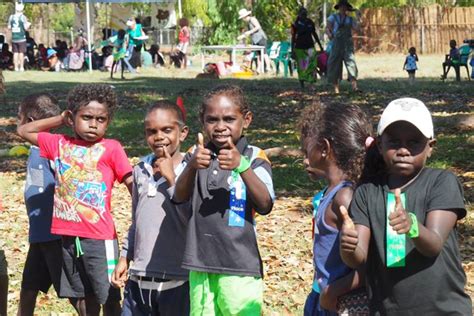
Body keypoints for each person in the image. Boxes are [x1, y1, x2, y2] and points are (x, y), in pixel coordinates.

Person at [340, 98, 473, 315]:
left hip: (444, 309)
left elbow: (434, 244)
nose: (403, 150)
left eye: (414, 142)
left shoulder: (442, 182)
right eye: (394, 142)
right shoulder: (367, 193)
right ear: (380, 145)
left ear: (430, 147)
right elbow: (358, 257)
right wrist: (348, 245)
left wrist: (412, 225)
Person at [17, 84, 134, 316]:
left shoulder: (112, 148)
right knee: (85, 297)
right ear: (72, 118)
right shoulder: (59, 144)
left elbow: (134, 189)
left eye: (101, 119)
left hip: (100, 240)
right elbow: (24, 130)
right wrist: (60, 118)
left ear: (108, 121)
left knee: (109, 297)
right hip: (68, 240)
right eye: (87, 117)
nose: (93, 124)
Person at [173, 85, 275, 315]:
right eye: (212, 120)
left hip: (239, 264)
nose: (220, 127)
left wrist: (242, 166)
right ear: (202, 120)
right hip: (200, 262)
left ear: (246, 119)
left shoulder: (254, 157)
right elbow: (178, 196)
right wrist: (192, 166)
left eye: (229, 119)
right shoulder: (195, 154)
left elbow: (265, 204)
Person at [112, 100, 191, 315]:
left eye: (167, 130)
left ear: (182, 133)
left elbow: (191, 219)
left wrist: (172, 178)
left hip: (178, 277)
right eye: (151, 131)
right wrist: (124, 257)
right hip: (139, 276)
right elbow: (137, 219)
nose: (159, 137)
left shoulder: (191, 171)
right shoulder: (140, 169)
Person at [299, 102, 371, 316]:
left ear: (324, 148)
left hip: (340, 302)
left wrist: (333, 291)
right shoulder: (331, 192)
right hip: (320, 295)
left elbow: (369, 264)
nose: (304, 155)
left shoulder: (344, 197)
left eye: (306, 147)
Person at [16, 94, 81, 316]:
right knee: (28, 289)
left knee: (73, 293)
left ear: (31, 120)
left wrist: (61, 119)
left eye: (19, 117)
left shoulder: (53, 148)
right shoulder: (37, 149)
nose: (17, 122)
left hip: (55, 237)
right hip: (39, 236)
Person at [326, 0, 361, 93]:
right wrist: (329, 34)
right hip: (336, 44)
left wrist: (358, 17)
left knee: (351, 64)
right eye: (341, 6)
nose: (343, 8)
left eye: (345, 6)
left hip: (347, 45)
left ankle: (355, 87)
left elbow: (357, 28)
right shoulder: (332, 17)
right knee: (335, 65)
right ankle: (336, 89)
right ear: (339, 7)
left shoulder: (350, 19)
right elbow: (328, 28)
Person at [291, 7, 324, 89]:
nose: (304, 15)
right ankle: (302, 83)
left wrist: (320, 45)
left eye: (305, 13)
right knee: (302, 66)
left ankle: (311, 83)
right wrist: (292, 50)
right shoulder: (296, 24)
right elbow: (293, 37)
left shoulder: (310, 22)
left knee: (312, 64)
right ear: (299, 14)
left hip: (310, 46)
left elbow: (314, 34)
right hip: (299, 47)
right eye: (302, 14)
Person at [237, 8, 273, 73]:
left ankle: (268, 68)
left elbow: (258, 27)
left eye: (242, 18)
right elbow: (248, 33)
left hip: (261, 38)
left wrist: (250, 32)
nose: (242, 20)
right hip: (255, 40)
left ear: (245, 17)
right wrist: (242, 36)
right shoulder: (248, 23)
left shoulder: (252, 19)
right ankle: (258, 69)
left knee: (264, 53)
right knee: (258, 55)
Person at [7, 2, 30, 72]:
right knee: (21, 53)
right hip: (21, 38)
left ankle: (16, 67)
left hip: (14, 38)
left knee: (15, 53)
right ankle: (21, 67)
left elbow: (9, 27)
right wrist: (29, 24)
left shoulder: (11, 17)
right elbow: (26, 28)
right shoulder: (23, 17)